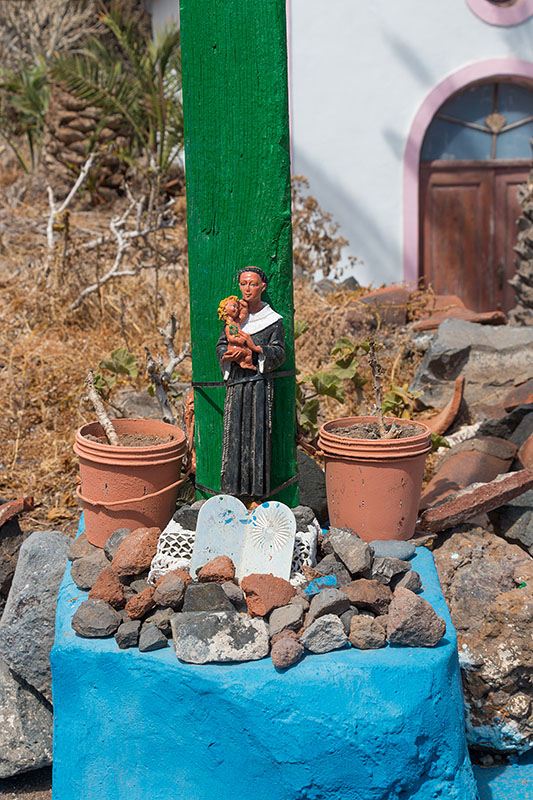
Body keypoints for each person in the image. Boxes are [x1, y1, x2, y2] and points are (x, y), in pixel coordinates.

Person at [216, 267, 285, 498]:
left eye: (253, 284)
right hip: (236, 383)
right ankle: (231, 492)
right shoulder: (235, 318)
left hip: (258, 385)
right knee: (233, 433)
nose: (247, 289)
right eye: (244, 284)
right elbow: (221, 344)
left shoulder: (272, 321)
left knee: (257, 435)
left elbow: (279, 351)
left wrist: (255, 353)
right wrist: (227, 354)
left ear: (263, 287)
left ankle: (256, 494)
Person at [217, 295, 260, 371]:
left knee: (248, 352)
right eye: (233, 306)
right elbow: (230, 338)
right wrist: (238, 340)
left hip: (239, 346)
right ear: (225, 309)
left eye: (237, 307)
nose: (236, 309)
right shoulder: (228, 326)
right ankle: (247, 364)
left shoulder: (236, 322)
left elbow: (244, 315)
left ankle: (244, 363)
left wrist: (244, 306)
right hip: (234, 347)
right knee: (248, 352)